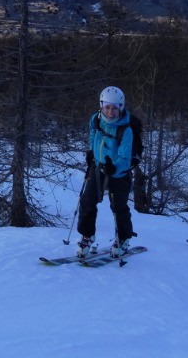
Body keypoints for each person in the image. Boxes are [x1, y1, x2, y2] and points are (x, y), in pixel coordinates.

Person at [76, 85, 136, 259]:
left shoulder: (126, 130)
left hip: (118, 173)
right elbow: (93, 136)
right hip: (98, 167)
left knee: (118, 207)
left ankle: (123, 238)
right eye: (107, 107)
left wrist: (115, 167)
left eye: (115, 108)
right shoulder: (95, 119)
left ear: (121, 107)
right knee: (87, 201)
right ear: (101, 105)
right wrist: (91, 153)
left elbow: (125, 158)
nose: (111, 112)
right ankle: (87, 235)